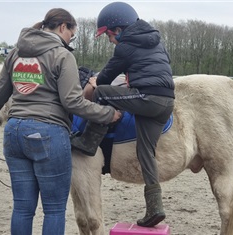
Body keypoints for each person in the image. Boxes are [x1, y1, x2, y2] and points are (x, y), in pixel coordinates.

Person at [0, 8, 122, 235]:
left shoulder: (15, 54)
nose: (70, 41)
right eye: (71, 35)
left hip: (14, 132)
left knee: (23, 209)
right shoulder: (62, 55)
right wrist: (107, 114)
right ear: (63, 27)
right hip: (48, 133)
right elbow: (72, 102)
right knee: (54, 210)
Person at [70, 2, 175, 228]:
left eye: (108, 34)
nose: (109, 39)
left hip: (147, 98)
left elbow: (106, 79)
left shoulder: (124, 46)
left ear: (118, 29)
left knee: (101, 92)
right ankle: (155, 208)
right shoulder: (157, 42)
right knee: (146, 151)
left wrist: (92, 81)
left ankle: (88, 142)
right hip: (166, 102)